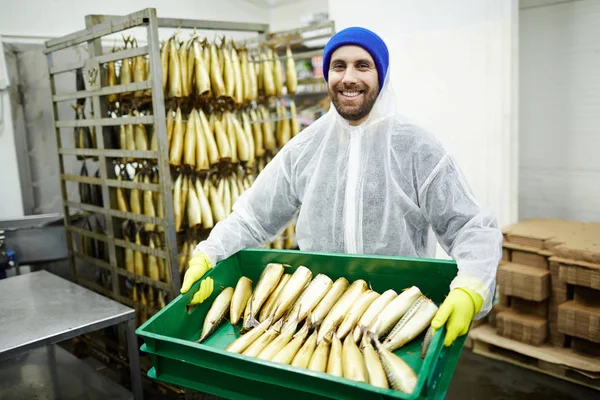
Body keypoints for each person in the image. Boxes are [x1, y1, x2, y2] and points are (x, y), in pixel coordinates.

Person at [180, 27, 503, 347]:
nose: (349, 77)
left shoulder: (417, 147)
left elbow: (469, 227)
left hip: (398, 313)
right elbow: (253, 217)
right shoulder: (305, 147)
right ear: (327, 75)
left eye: (363, 65)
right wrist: (210, 252)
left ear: (382, 75)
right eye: (339, 66)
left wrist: (471, 285)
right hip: (316, 312)